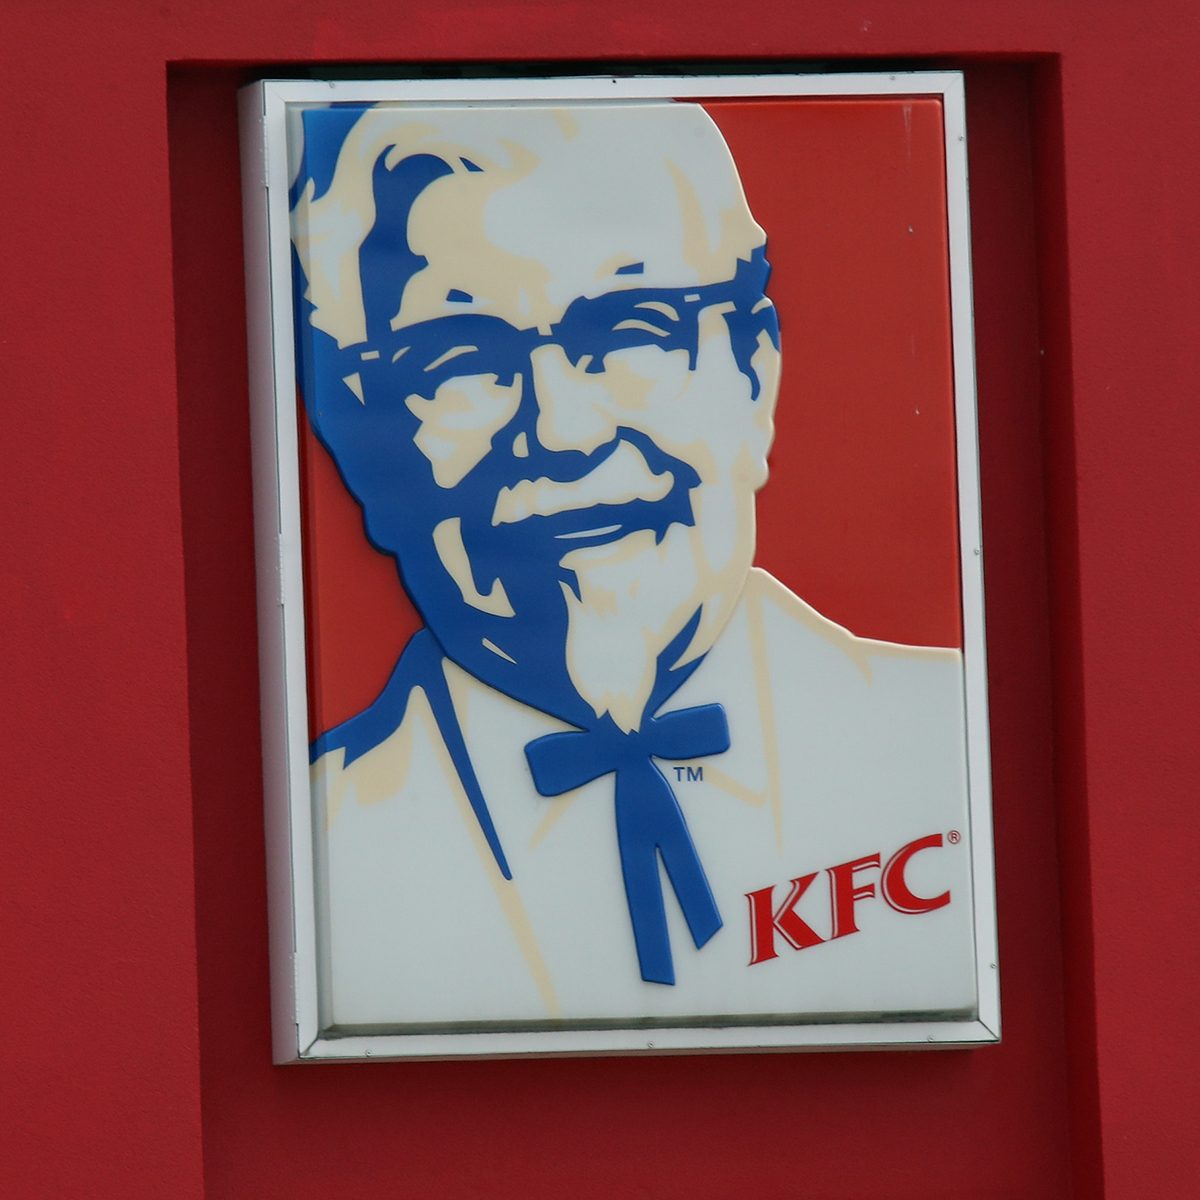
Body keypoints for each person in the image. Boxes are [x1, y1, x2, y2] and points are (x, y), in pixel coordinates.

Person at [290, 100, 977, 1030]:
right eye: (459, 358)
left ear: (752, 378)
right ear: (356, 441)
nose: (565, 431)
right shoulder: (307, 848)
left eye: (631, 330)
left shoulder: (955, 754)